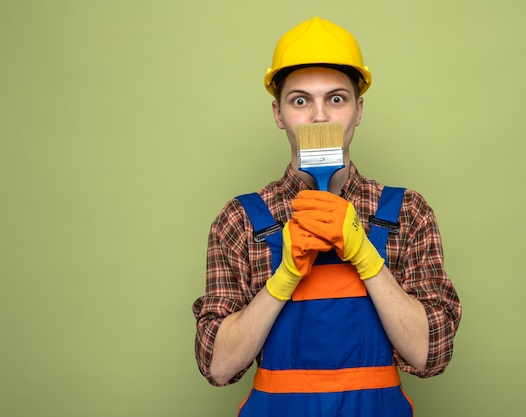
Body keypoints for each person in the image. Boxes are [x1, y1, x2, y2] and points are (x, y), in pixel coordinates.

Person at [193, 16, 461, 416]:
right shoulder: (241, 220)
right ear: (278, 114)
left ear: (358, 110)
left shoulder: (406, 212)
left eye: (336, 98)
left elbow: (430, 355)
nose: (319, 116)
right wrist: (283, 277)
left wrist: (365, 255)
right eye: (300, 100)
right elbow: (217, 366)